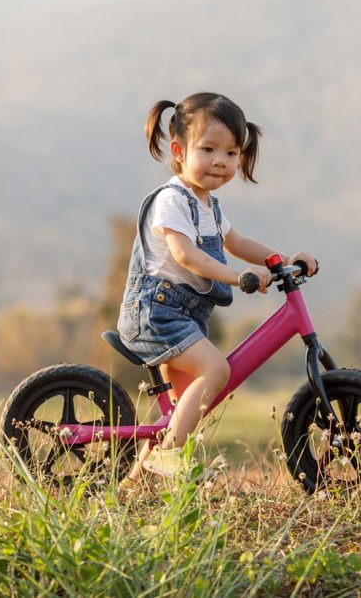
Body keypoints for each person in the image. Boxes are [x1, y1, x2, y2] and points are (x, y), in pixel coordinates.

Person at [118, 92, 317, 480]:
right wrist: (236, 277)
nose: (220, 162)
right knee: (217, 372)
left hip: (181, 317)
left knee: (181, 413)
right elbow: (186, 256)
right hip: (155, 313)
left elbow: (238, 244)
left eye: (230, 153)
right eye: (208, 149)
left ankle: (136, 482)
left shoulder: (210, 206)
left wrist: (282, 260)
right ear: (178, 151)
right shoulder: (171, 200)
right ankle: (171, 457)